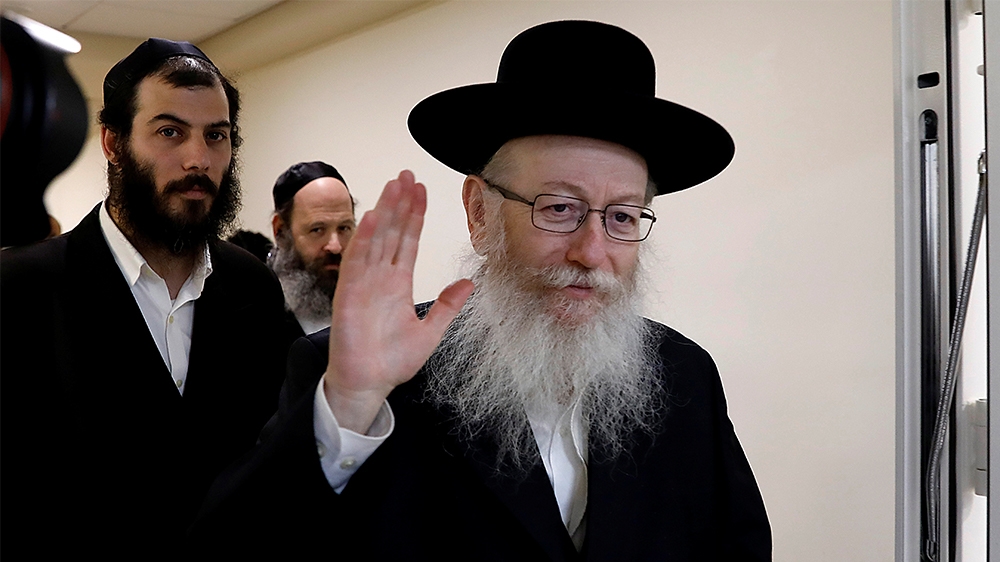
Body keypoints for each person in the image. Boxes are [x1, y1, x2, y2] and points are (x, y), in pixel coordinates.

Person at [193, 21, 771, 560]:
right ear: (479, 213)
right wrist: (348, 404)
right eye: (560, 208)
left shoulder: (686, 376)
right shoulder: (356, 379)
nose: (592, 253)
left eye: (622, 216)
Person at [0, 38, 287, 556]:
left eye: (216, 136)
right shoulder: (20, 290)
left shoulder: (253, 287)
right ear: (113, 143)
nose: (198, 160)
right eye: (170, 132)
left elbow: (272, 466)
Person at [268, 161, 357, 338]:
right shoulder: (254, 313)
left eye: (344, 228)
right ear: (280, 231)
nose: (335, 246)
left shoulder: (375, 315)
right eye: (317, 229)